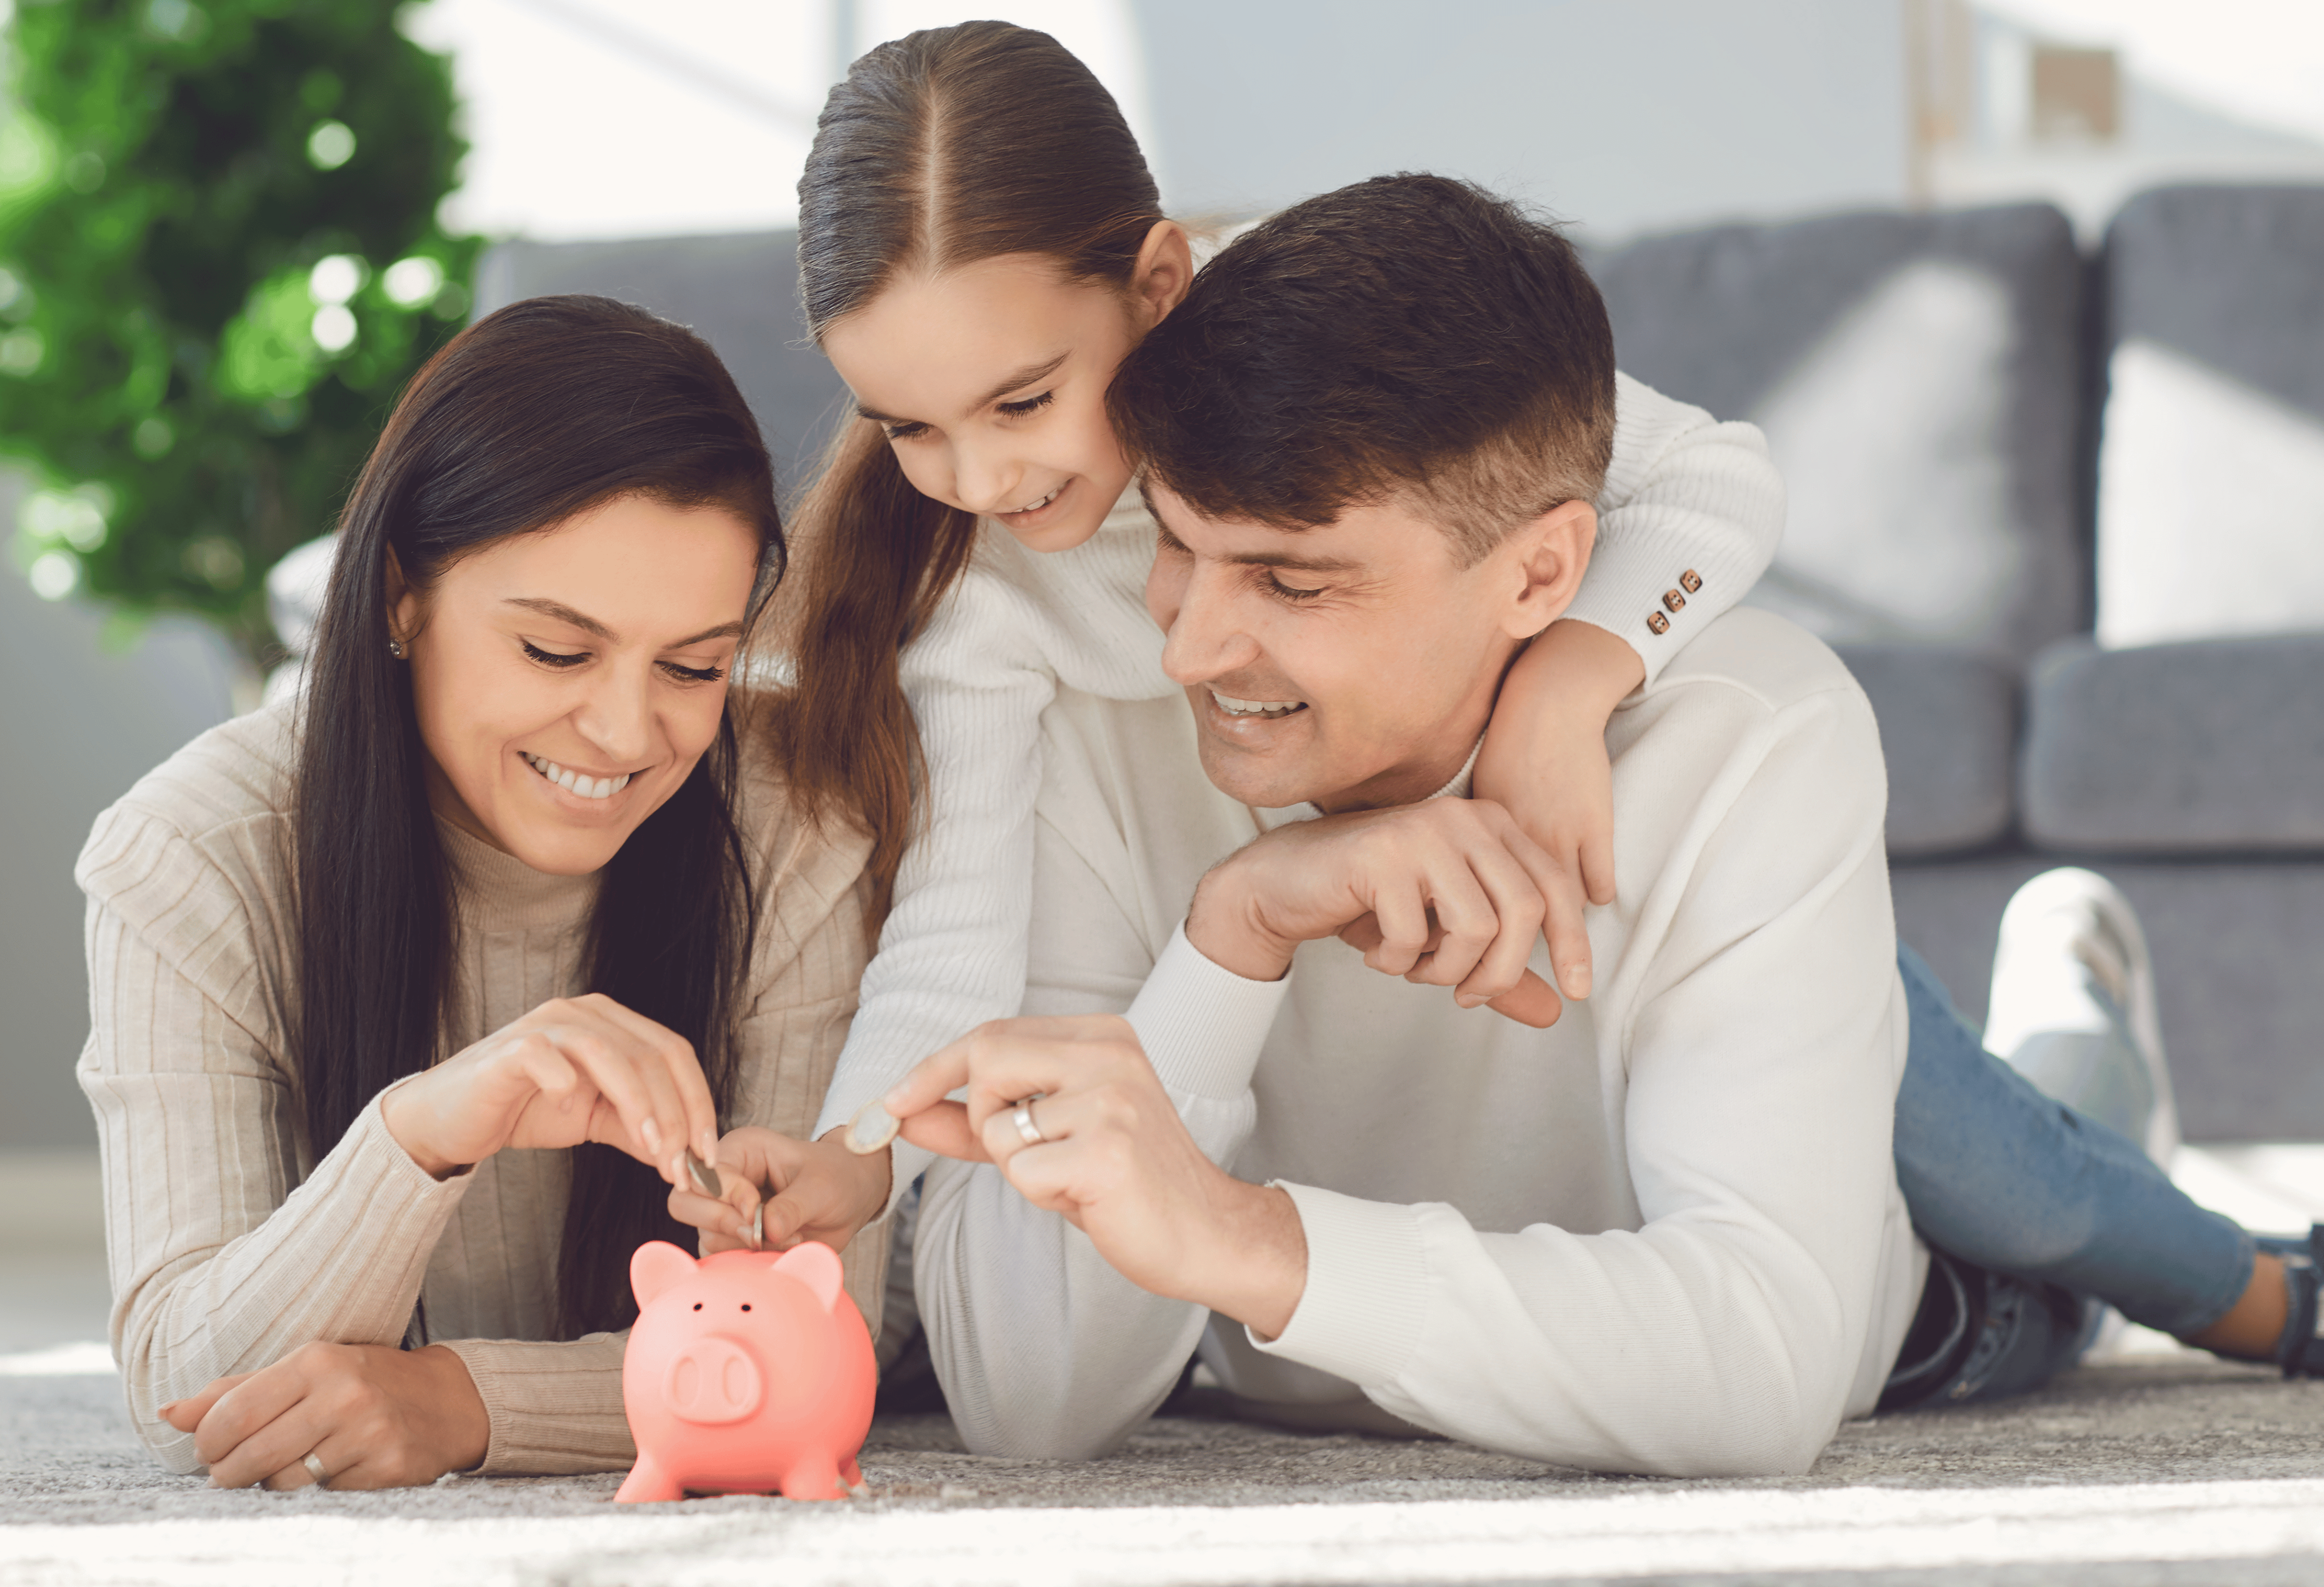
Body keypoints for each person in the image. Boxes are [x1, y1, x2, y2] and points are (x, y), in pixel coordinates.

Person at [827, 174, 2319, 1474]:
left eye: (1293, 580)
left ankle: (2086, 1033)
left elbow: (1759, 1369)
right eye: (1180, 547)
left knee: (2051, 1202)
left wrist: (1246, 1245)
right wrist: (1235, 934)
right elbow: (1028, 1404)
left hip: (1933, 1324)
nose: (1186, 651)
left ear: (1545, 577)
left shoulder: (1755, 731)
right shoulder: (1076, 717)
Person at [751, 20, 1783, 1226]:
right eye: (911, 428)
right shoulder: (984, 601)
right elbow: (953, 939)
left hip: (1669, 879)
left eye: (1022, 402)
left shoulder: (1327, 350)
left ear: (1159, 284)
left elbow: (1720, 477)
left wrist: (1559, 696)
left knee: (2009, 1191)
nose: (978, 480)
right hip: (1433, 941)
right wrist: (854, 1155)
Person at [74, 294, 884, 1490]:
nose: (622, 732)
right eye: (556, 650)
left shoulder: (788, 824)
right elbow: (184, 1383)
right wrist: (421, 1134)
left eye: (695, 665)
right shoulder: (189, 855)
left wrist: (470, 1402)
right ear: (401, 593)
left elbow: (822, 1344)